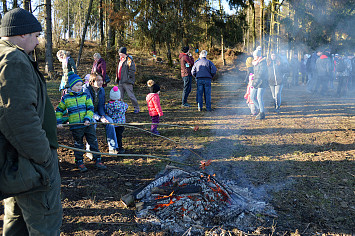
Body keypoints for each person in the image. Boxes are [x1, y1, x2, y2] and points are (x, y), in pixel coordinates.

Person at [0, 8, 62, 235]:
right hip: (30, 162)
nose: (38, 42)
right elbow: (17, 117)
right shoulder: (13, 59)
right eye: (36, 35)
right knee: (44, 223)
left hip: (16, 161)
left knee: (17, 223)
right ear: (22, 34)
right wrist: (44, 157)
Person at [56, 72, 107, 172]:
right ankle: (79, 162)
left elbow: (90, 108)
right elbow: (59, 110)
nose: (80, 87)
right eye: (77, 85)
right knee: (78, 144)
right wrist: (59, 122)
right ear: (71, 86)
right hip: (76, 126)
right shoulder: (66, 98)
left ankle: (98, 159)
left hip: (88, 124)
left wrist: (88, 119)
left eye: (80, 85)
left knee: (93, 141)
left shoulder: (85, 96)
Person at [83, 72, 120, 154]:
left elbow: (100, 106)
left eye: (101, 80)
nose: (101, 82)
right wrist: (99, 118)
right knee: (93, 123)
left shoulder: (101, 90)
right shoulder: (86, 89)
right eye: (98, 80)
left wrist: (103, 116)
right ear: (92, 81)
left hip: (97, 112)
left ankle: (113, 148)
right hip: (87, 112)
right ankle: (90, 150)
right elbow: (89, 108)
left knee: (109, 122)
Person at [105, 86, 129, 154]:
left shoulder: (108, 106)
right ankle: (120, 147)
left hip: (113, 124)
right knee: (119, 136)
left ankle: (115, 147)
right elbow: (127, 107)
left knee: (113, 136)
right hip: (121, 124)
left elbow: (106, 111)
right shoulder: (123, 105)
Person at [115, 47, 139, 113]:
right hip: (120, 81)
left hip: (127, 81)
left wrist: (128, 78)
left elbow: (132, 70)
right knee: (120, 96)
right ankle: (121, 108)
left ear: (124, 53)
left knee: (131, 95)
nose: (119, 54)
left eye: (120, 53)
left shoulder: (129, 60)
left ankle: (136, 108)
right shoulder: (120, 60)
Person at [250, 47, 268, 119]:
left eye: (255, 56)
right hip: (257, 82)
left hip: (262, 83)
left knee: (259, 97)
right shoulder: (256, 63)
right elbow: (257, 74)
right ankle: (260, 109)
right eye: (254, 56)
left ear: (258, 56)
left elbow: (260, 74)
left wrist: (254, 83)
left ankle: (262, 113)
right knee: (252, 97)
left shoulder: (262, 63)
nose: (254, 57)